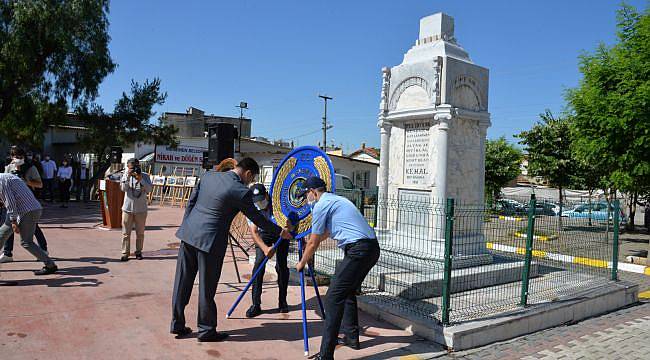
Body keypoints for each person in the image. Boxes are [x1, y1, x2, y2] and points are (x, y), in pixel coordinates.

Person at [170, 157, 294, 342]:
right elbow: (259, 220)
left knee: (182, 282)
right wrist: (281, 232)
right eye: (251, 179)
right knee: (207, 287)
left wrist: (187, 225)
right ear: (249, 173)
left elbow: (191, 203)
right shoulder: (240, 191)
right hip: (210, 242)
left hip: (188, 235)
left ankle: (177, 324)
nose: (249, 182)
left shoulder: (208, 176)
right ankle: (206, 330)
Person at [295, 176, 380, 360]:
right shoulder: (336, 200)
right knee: (346, 292)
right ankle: (351, 337)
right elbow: (325, 234)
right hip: (369, 248)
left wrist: (301, 262)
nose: (306, 199)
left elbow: (313, 242)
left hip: (359, 250)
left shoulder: (321, 205)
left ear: (313, 192)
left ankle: (325, 356)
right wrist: (310, 247)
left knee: (333, 297)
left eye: (306, 194)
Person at [244, 183, 290, 318]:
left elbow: (291, 221)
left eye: (261, 200)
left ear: (266, 195)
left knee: (281, 266)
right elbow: (254, 232)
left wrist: (289, 227)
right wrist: (265, 249)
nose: (259, 203)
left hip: (281, 232)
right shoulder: (251, 208)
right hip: (263, 233)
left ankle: (282, 301)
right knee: (259, 264)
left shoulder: (278, 203)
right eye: (256, 201)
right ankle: (256, 304)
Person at [0, 173, 58, 275]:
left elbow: (11, 202)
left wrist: (14, 222)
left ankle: (50, 265)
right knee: (2, 234)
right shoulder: (5, 176)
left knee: (26, 242)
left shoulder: (1, 181)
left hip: (27, 211)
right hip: (29, 209)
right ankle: (50, 265)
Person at [0, 146, 49, 264]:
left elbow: (40, 184)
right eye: (16, 157)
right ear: (11, 157)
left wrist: (26, 181)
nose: (18, 159)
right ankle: (7, 253)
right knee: (9, 227)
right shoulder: (9, 168)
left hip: (27, 202)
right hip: (10, 201)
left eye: (21, 157)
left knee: (33, 228)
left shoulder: (31, 168)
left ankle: (43, 250)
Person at [119, 158, 153, 261]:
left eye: (136, 167)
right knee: (125, 233)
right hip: (127, 209)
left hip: (141, 210)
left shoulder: (145, 176)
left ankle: (138, 252)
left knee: (140, 233)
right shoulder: (125, 175)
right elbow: (123, 188)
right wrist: (128, 176)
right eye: (132, 167)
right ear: (128, 167)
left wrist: (140, 179)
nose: (134, 169)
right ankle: (125, 253)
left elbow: (149, 189)